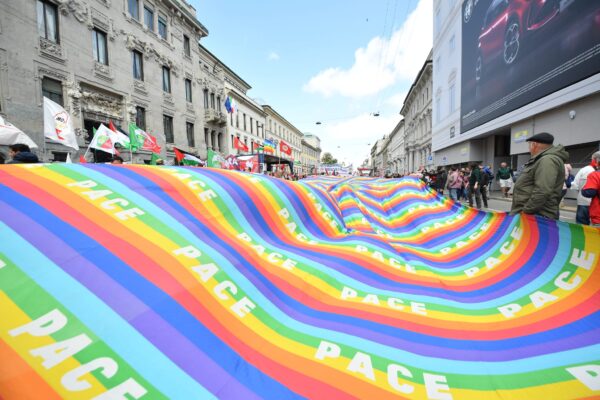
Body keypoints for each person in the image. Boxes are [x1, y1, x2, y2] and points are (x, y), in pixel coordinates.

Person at [510, 132, 569, 219]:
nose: (529, 149)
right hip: (535, 213)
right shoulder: (544, 159)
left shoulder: (547, 160)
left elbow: (542, 190)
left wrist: (526, 211)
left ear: (534, 145)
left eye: (529, 145)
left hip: (536, 214)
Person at [572, 152, 600, 225]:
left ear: (594, 160)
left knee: (582, 226)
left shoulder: (585, 170)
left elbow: (575, 185)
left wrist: (581, 192)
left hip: (584, 202)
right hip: (595, 206)